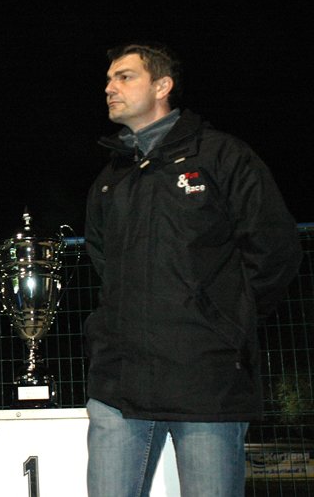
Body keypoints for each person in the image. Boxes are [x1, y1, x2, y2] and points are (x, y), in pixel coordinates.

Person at [83, 43, 302, 496]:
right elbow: (103, 260)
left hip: (206, 379)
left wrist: (224, 319)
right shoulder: (110, 179)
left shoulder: (221, 156)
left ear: (162, 86)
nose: (109, 88)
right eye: (108, 79)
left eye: (125, 77)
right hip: (119, 382)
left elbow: (274, 249)